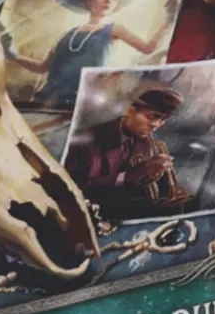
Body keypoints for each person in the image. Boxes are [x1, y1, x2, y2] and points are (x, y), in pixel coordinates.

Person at [7, 0, 176, 109]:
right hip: (47, 98)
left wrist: (169, 20)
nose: (109, 1)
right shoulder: (66, 34)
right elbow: (42, 67)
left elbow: (148, 48)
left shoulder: (114, 29)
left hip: (82, 100)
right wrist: (12, 55)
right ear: (88, 0)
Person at [65, 88, 193, 220]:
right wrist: (129, 176)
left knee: (178, 209)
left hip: (125, 209)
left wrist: (148, 178)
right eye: (152, 116)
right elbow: (74, 188)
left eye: (164, 119)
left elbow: (134, 190)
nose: (156, 125)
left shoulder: (146, 143)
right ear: (130, 111)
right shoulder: (85, 140)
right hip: (89, 214)